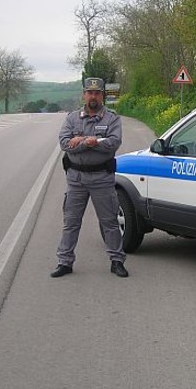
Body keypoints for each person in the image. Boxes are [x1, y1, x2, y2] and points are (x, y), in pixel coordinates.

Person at [50, 77, 128, 279]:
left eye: (97, 93)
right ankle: (64, 262)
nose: (93, 96)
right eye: (89, 92)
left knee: (109, 222)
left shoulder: (112, 119)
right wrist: (90, 141)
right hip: (76, 179)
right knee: (71, 222)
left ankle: (117, 261)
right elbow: (65, 144)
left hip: (102, 177)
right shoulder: (72, 118)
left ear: (102, 95)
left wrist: (82, 141)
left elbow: (113, 143)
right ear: (84, 94)